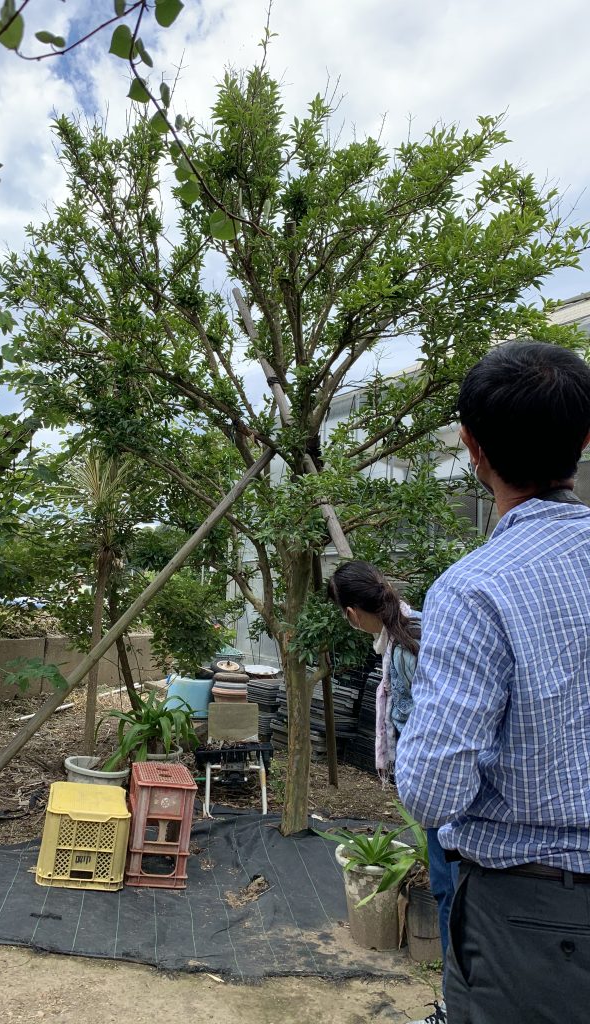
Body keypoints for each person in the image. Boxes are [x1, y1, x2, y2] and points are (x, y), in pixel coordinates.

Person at [396, 341, 590, 1024]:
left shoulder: (477, 588)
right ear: (585, 438)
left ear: (471, 446)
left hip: (535, 918)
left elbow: (431, 789)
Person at [329, 561, 458, 1024]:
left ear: (351, 613)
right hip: (459, 786)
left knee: (448, 893)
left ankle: (454, 1005)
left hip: (444, 791)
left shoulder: (405, 648)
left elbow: (424, 723)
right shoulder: (417, 626)